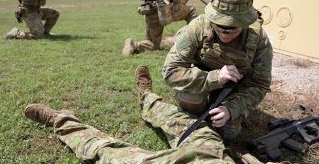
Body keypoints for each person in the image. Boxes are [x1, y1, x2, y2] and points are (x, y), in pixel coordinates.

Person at [24, 65, 277, 164]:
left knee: (107, 152)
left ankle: (60, 120)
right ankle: (147, 98)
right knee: (184, 121)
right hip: (212, 153)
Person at [162, 0, 273, 141]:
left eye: (233, 26)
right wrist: (214, 78)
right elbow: (170, 72)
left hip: (234, 90)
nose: (224, 31)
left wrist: (232, 109)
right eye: (219, 24)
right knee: (190, 99)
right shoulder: (197, 27)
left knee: (230, 131)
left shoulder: (258, 39)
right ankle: (198, 113)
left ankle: (220, 114)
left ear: (246, 21)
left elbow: (259, 84)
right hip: (202, 81)